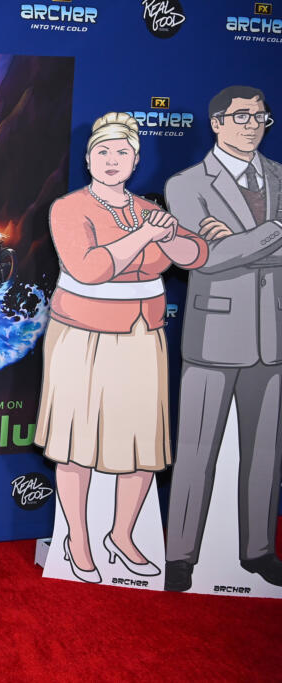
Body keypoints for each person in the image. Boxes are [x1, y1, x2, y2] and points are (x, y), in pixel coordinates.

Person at [35, 113, 207, 585]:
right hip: (81, 335)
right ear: (89, 158)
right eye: (103, 152)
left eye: (123, 153)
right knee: (76, 444)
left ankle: (123, 535)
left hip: (141, 336)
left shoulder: (148, 210)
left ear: (136, 160)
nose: (113, 161)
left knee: (142, 444)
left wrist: (172, 232)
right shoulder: (68, 208)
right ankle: (79, 540)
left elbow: (196, 256)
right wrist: (147, 237)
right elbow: (89, 269)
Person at [164, 85, 282, 592]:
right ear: (216, 123)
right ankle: (180, 558)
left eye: (261, 116)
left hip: (273, 336)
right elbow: (204, 259)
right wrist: (277, 230)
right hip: (213, 336)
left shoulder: (280, 176)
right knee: (195, 448)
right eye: (241, 116)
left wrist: (236, 244)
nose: (252, 124)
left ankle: (258, 550)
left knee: (266, 452)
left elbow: (226, 253)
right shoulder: (187, 184)